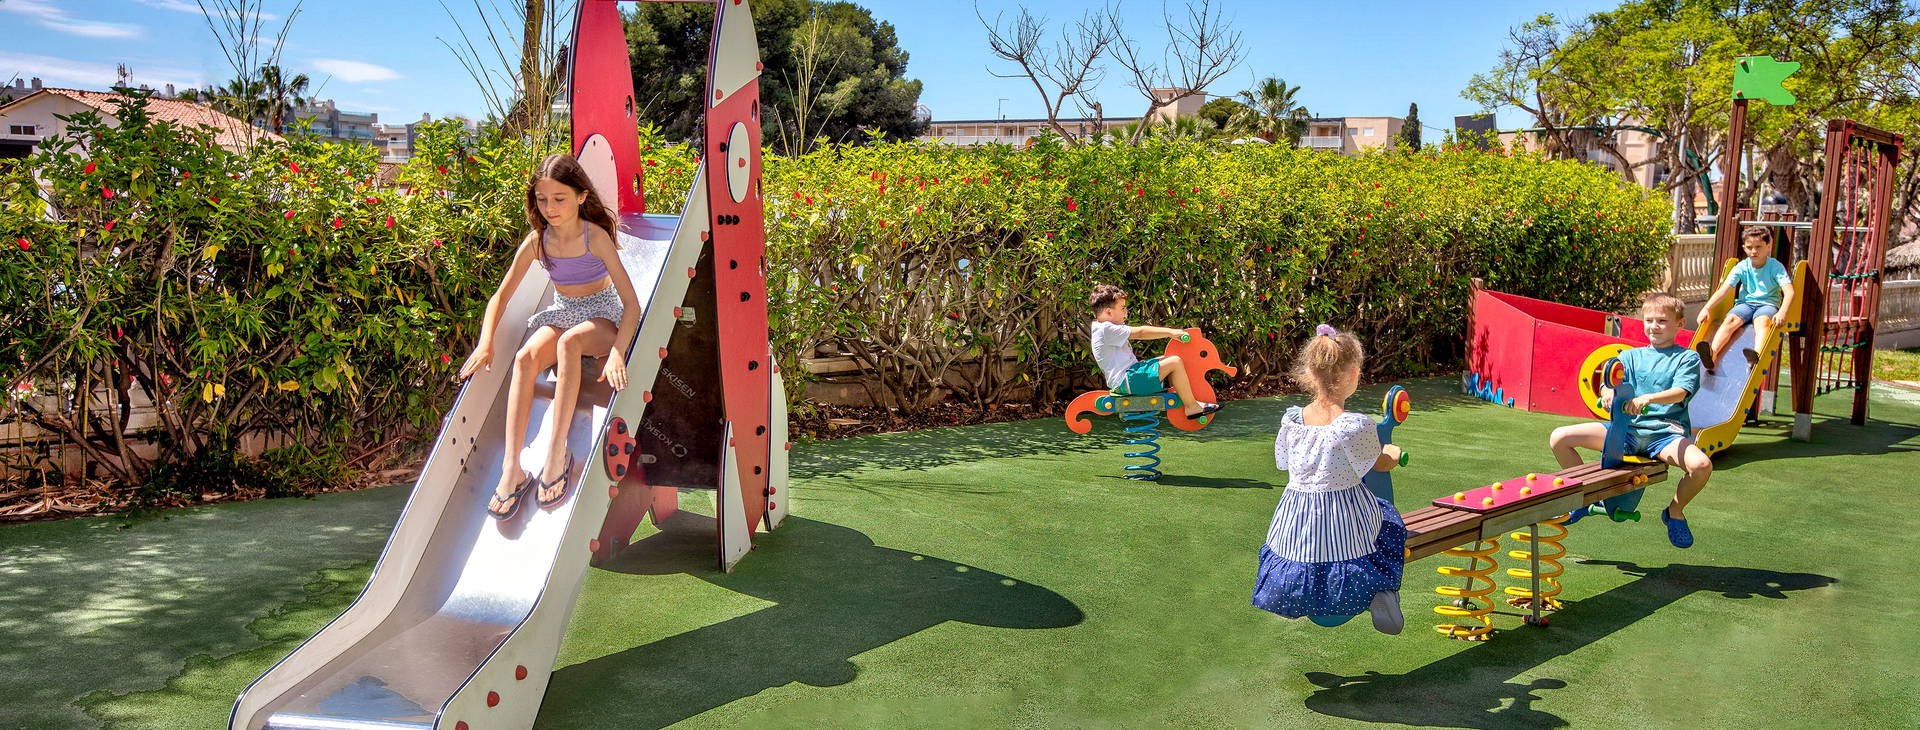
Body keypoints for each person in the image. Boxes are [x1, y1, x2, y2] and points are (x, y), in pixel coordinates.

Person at [456, 153, 643, 519]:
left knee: (569, 343)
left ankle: (556, 453)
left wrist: (618, 352)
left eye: (559, 198)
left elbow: (632, 305)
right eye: (542, 200)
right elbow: (500, 296)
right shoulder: (537, 242)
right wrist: (485, 342)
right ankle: (512, 468)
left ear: (581, 196)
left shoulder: (595, 237)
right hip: (563, 311)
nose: (550, 208)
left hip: (602, 315)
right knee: (525, 357)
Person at [1253, 324, 1406, 633]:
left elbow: (1285, 462)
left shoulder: (1292, 421)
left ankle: (1293, 593)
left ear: (1310, 373)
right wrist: (1392, 452)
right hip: (1344, 512)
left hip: (1297, 518)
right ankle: (1381, 592)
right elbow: (1377, 463)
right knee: (1387, 524)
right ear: (1354, 375)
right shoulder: (1355, 425)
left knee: (1301, 551)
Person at [1549, 293, 1711, 548]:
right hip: (1625, 431)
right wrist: (1607, 394)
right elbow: (1609, 384)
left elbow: (1680, 392)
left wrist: (1648, 398)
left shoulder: (1686, 358)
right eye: (1649, 320)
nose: (1654, 326)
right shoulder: (1629, 357)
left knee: (1701, 465)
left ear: (1680, 324)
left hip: (1664, 435)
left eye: (1662, 321)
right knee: (1559, 438)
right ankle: (1582, 499)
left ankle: (1675, 511)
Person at [1086, 284, 1221, 419]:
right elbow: (1140, 333)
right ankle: (1191, 407)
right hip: (1126, 381)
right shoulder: (1106, 329)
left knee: (1168, 358)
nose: (1126, 312)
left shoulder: (1101, 328)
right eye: (1122, 308)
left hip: (1128, 377)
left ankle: (1183, 395)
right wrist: (1170, 332)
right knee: (1174, 362)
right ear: (1109, 312)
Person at [1695, 225, 1794, 374]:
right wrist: (1706, 308)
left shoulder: (1775, 267)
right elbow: (1724, 290)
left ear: (1768, 246)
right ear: (1744, 248)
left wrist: (1782, 312)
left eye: (1758, 247)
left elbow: (1789, 291)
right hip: (1746, 304)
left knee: (1762, 322)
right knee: (1730, 320)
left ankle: (1756, 356)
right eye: (1749, 247)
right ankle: (1712, 355)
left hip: (1767, 304)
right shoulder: (1742, 266)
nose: (1754, 251)